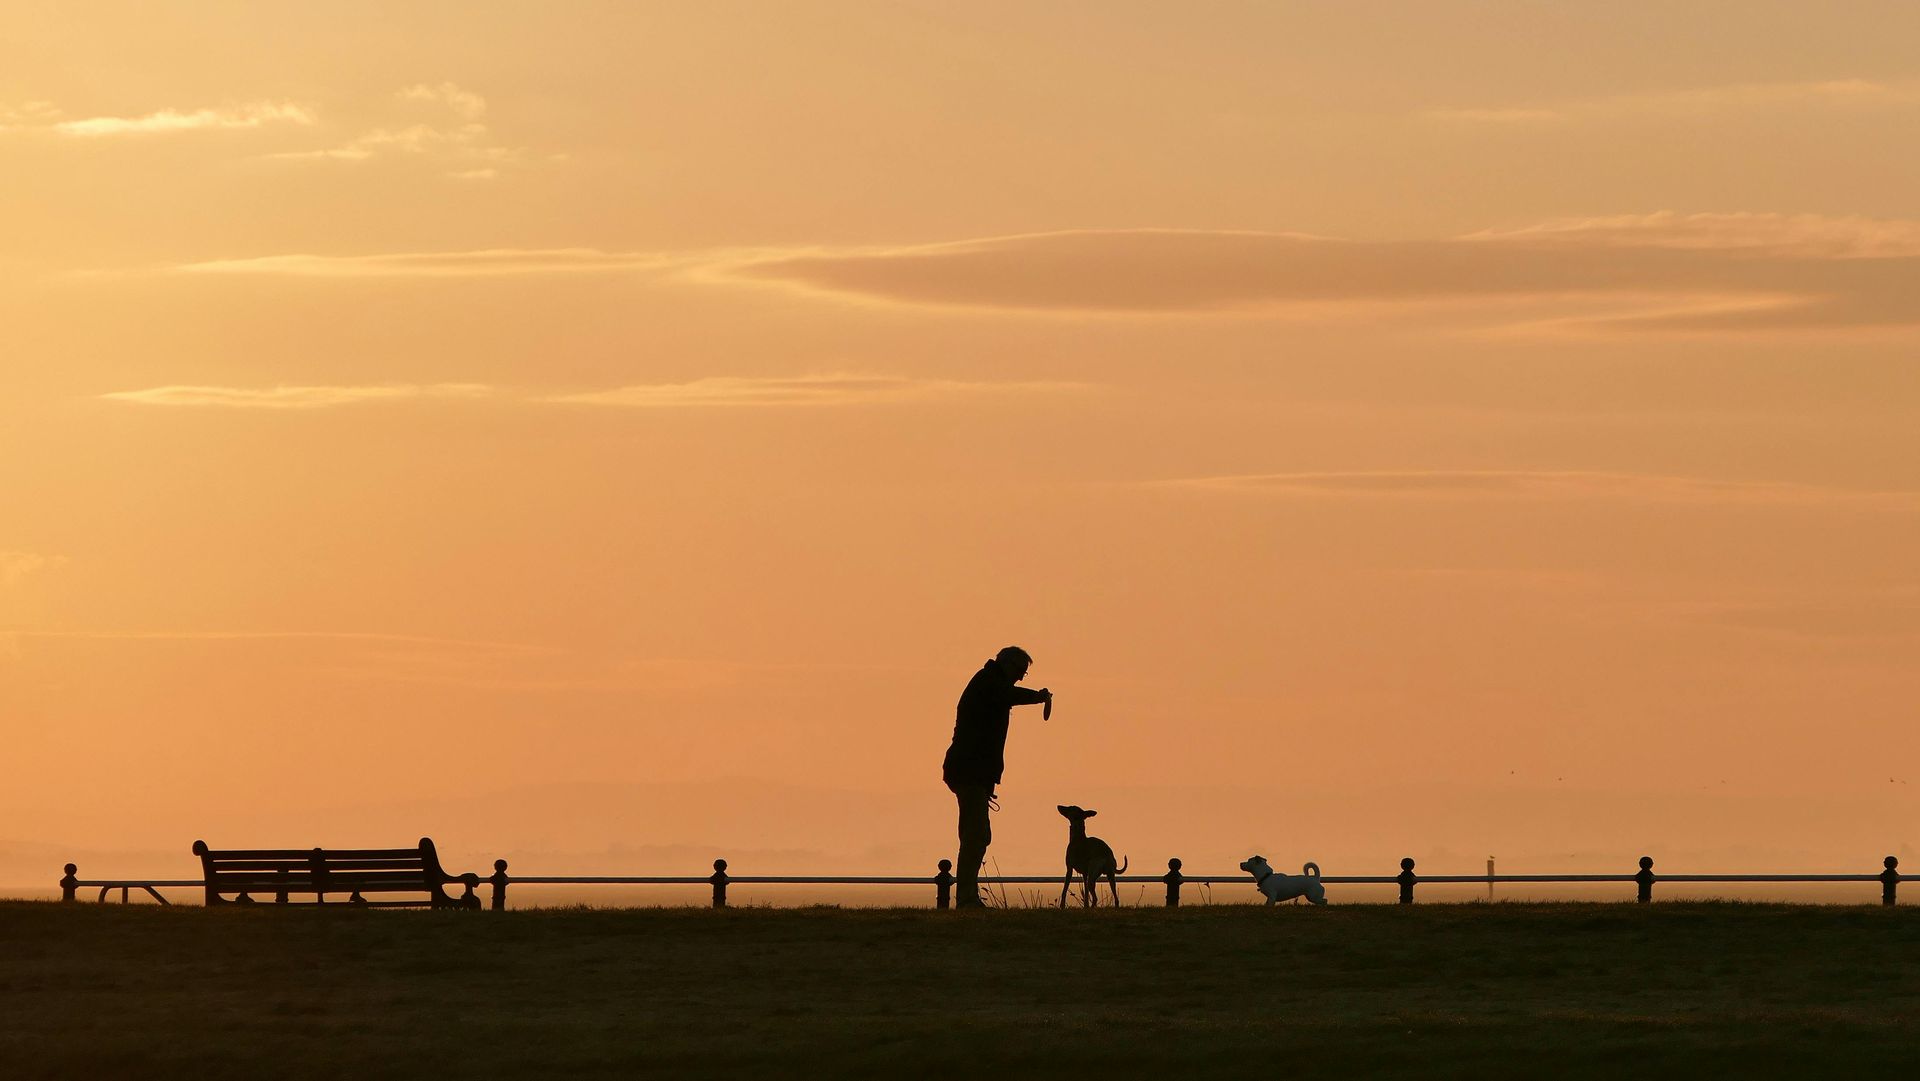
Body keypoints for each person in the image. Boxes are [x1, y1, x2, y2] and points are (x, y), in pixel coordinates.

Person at [941, 646, 1052, 908]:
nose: (1020, 678)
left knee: (976, 834)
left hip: (971, 772)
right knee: (976, 835)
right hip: (970, 771)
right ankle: (967, 898)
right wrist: (1037, 696)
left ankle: (967, 895)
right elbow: (1006, 695)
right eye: (1020, 672)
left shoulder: (988, 682)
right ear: (1007, 665)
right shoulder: (989, 683)